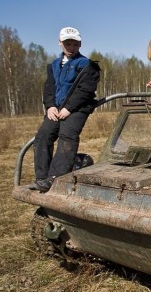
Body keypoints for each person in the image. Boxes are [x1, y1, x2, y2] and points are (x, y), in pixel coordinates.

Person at [30, 27, 100, 192]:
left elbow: (85, 90)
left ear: (80, 44)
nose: (71, 47)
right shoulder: (54, 65)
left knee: (67, 136)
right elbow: (49, 88)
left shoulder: (87, 65)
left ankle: (55, 178)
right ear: (60, 43)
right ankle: (42, 177)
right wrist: (50, 106)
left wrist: (69, 108)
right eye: (67, 43)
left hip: (77, 108)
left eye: (74, 44)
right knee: (43, 136)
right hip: (56, 108)